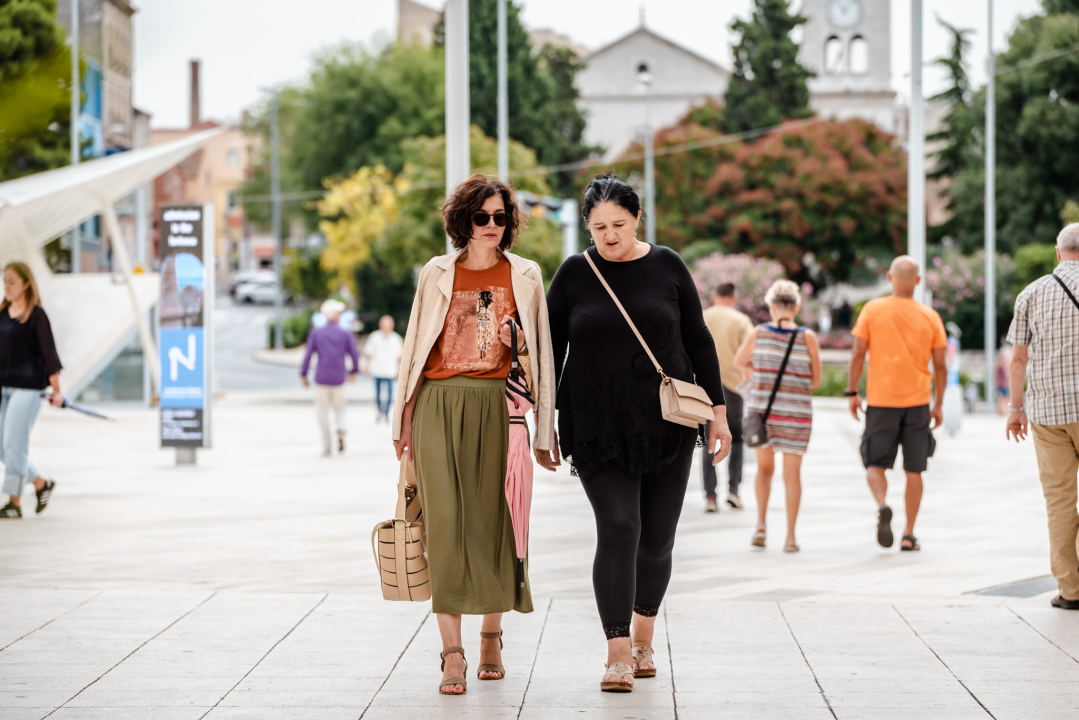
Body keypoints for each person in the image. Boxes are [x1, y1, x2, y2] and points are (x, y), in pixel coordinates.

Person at [546, 173, 731, 693]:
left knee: (657, 537)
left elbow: (698, 340)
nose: (609, 236)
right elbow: (548, 350)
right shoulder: (574, 273)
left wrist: (718, 412)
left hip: (669, 421)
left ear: (638, 219)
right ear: (587, 226)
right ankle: (618, 653)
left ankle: (645, 637)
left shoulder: (668, 265)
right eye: (599, 226)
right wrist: (544, 422)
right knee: (619, 527)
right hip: (595, 424)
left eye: (619, 225)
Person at [391, 174, 557, 695]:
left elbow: (541, 354)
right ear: (463, 220)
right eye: (481, 216)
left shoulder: (525, 274)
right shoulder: (436, 272)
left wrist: (544, 428)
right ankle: (452, 653)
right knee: (443, 526)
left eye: (500, 218)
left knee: (493, 524)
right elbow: (414, 347)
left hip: (498, 408)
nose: (491, 225)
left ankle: (491, 636)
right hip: (438, 405)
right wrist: (403, 418)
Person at [847, 256, 947, 552]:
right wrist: (938, 404)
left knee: (874, 464)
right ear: (918, 281)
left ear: (890, 277)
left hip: (881, 402)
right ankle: (908, 534)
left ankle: (882, 505)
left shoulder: (872, 309)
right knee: (914, 470)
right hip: (918, 403)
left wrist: (852, 392)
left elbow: (857, 353)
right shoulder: (930, 316)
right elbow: (941, 365)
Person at [1005, 223, 1079, 610]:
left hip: (1049, 413)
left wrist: (1016, 409)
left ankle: (1071, 590)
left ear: (1057, 252)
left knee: (1060, 502)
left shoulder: (1032, 293)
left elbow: (1018, 359)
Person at [734, 280, 821, 552]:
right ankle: (791, 538)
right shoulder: (807, 337)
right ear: (796, 307)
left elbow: (739, 361)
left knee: (764, 470)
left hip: (764, 413)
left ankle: (760, 525)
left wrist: (760, 367)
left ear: (772, 306)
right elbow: (816, 381)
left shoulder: (759, 333)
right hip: (796, 415)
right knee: (792, 475)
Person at [0, 262, 62, 519]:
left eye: (12, 281)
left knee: (14, 445)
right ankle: (40, 483)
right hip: (4, 387)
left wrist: (57, 391)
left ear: (26, 283)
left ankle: (13, 503)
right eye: (4, 281)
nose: (7, 286)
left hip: (28, 388)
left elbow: (49, 354)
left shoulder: (36, 315)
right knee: (2, 447)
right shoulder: (2, 313)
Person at [701, 282, 753, 512]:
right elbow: (751, 354)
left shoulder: (702, 317)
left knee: (708, 441)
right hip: (733, 387)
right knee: (737, 439)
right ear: (734, 298)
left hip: (704, 388)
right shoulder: (741, 320)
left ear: (714, 297)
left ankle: (710, 497)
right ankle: (734, 491)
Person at [300, 299, 359, 456]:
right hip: (339, 377)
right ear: (335, 315)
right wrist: (354, 371)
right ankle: (340, 427)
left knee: (322, 412)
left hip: (321, 377)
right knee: (340, 408)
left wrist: (303, 373)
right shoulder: (345, 333)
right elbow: (354, 354)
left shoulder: (316, 333)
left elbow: (308, 355)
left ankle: (327, 446)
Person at [363, 315, 403, 422]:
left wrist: (399, 370)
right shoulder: (374, 337)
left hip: (390, 370)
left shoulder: (396, 339)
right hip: (377, 369)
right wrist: (366, 366)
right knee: (378, 394)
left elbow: (398, 357)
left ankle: (386, 413)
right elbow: (369, 353)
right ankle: (379, 411)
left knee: (390, 394)